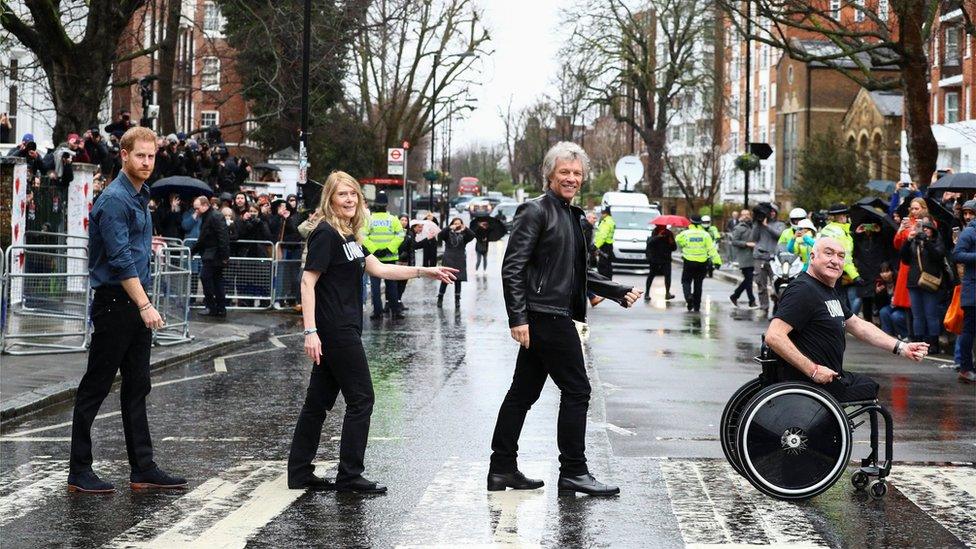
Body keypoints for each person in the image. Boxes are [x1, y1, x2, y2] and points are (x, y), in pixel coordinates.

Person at [289, 171, 456, 493]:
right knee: (362, 399)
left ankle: (299, 472)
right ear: (330, 200)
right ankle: (350, 475)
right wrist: (310, 331)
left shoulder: (348, 236)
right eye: (342, 195)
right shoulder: (325, 234)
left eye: (353, 194)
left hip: (344, 326)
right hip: (335, 329)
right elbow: (307, 281)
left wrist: (424, 271)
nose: (349, 200)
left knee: (317, 403)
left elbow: (379, 268)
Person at [489, 143, 641, 498]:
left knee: (521, 394)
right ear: (550, 174)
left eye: (576, 174)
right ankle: (574, 471)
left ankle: (502, 469)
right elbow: (513, 267)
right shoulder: (535, 210)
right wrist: (518, 318)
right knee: (577, 391)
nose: (571, 179)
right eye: (564, 173)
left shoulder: (571, 215)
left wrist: (617, 290)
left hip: (552, 314)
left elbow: (577, 271)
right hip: (545, 316)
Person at [68, 126, 186, 493]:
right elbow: (119, 262)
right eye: (140, 156)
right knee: (96, 387)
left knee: (138, 385)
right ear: (124, 155)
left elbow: (132, 250)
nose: (147, 162)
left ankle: (143, 468)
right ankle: (79, 471)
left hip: (134, 303)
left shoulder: (140, 195)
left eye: (152, 156)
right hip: (117, 304)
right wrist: (145, 304)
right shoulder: (116, 199)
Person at [765, 238, 929, 403]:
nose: (835, 261)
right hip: (811, 384)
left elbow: (858, 326)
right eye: (828, 253)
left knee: (868, 386)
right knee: (868, 390)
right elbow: (774, 336)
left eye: (841, 256)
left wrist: (902, 347)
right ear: (812, 257)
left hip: (830, 377)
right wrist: (813, 370)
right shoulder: (803, 290)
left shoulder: (826, 290)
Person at [900, 219, 947, 353]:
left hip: (930, 282)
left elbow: (938, 256)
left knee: (931, 314)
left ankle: (933, 344)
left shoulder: (936, 242)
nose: (924, 230)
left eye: (927, 228)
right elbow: (904, 259)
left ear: (933, 230)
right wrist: (908, 241)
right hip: (914, 282)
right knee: (917, 315)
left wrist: (926, 242)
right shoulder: (914, 242)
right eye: (923, 228)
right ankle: (918, 342)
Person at [363, 192, 404, 319]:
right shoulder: (393, 219)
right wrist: (389, 248)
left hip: (374, 258)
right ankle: (395, 311)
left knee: (375, 287)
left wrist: (374, 250)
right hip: (390, 257)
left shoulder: (369, 220)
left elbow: (363, 236)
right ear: (387, 205)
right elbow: (400, 235)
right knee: (392, 286)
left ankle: (377, 312)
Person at [819, 204, 865, 314]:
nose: (847, 218)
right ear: (841, 217)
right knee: (839, 301)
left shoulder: (835, 229)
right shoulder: (838, 232)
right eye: (845, 216)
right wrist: (855, 276)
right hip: (836, 270)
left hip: (831, 269)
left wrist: (855, 233)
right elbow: (845, 258)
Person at [191, 196, 231, 317]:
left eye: (197, 208)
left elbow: (222, 236)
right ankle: (219, 308)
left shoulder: (214, 216)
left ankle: (212, 307)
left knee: (206, 278)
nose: (196, 211)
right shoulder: (211, 216)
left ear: (204, 205)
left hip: (214, 255)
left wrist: (224, 256)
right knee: (217, 281)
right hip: (214, 254)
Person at [676, 215, 721, 312]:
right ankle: (697, 305)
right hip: (702, 263)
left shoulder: (685, 233)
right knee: (698, 284)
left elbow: (678, 240)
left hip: (689, 261)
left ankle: (688, 297)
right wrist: (717, 262)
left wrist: (684, 244)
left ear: (690, 222)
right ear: (700, 223)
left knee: (686, 281)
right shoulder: (705, 234)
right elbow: (711, 249)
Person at [952, 200, 976, 383]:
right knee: (968, 330)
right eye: (966, 213)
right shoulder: (969, 231)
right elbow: (957, 254)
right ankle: (965, 368)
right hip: (972, 289)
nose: (968, 216)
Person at [751, 203, 786, 314]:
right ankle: (764, 307)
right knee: (760, 283)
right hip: (759, 257)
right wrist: (757, 223)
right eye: (769, 212)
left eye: (773, 212)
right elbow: (754, 238)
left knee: (776, 284)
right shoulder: (759, 224)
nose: (771, 214)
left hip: (773, 258)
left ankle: (777, 306)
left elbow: (779, 235)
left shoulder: (780, 224)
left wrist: (767, 226)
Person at [437, 217, 475, 307]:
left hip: (460, 258)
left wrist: (465, 228)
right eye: (455, 223)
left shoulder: (464, 234)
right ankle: (440, 297)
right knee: (445, 278)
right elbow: (440, 235)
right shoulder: (448, 233)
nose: (457, 225)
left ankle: (457, 300)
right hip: (448, 258)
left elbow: (472, 235)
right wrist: (449, 228)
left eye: (459, 223)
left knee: (458, 279)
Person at [729, 209, 757, 308]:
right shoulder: (739, 228)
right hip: (744, 257)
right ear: (741, 216)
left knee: (748, 279)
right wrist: (746, 244)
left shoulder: (754, 226)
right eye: (744, 214)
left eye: (747, 214)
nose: (746, 216)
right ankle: (751, 301)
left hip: (754, 256)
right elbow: (734, 241)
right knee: (749, 279)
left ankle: (735, 296)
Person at [876, 262, 909, 339]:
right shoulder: (880, 283)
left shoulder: (898, 280)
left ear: (892, 271)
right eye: (882, 272)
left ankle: (905, 335)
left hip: (902, 307)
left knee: (896, 316)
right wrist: (879, 294)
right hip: (891, 306)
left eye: (887, 271)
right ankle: (888, 337)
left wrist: (896, 299)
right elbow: (879, 304)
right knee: (883, 312)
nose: (884, 274)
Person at [644, 224, 676, 301]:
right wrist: (658, 236)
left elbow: (674, 248)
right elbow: (650, 243)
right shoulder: (654, 232)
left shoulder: (669, 233)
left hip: (666, 259)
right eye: (661, 226)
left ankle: (667, 293)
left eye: (664, 226)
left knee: (667, 276)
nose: (663, 227)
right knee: (651, 275)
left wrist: (671, 242)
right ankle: (647, 293)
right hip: (655, 259)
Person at [594, 207, 616, 278]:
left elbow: (602, 235)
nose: (601, 215)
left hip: (604, 246)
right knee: (608, 266)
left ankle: (604, 283)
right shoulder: (611, 220)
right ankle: (609, 282)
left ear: (605, 213)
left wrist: (596, 246)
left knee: (603, 268)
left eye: (602, 213)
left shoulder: (606, 222)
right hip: (609, 246)